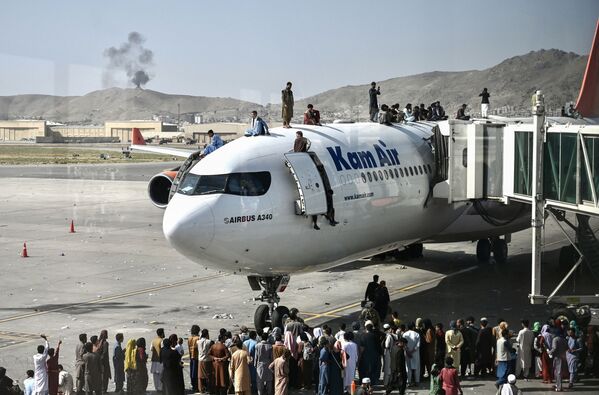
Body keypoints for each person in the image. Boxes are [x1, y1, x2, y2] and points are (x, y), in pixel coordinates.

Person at [197, 329, 214, 394]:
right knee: (209, 375)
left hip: (201, 360)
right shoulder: (210, 342)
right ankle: (209, 389)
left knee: (200, 376)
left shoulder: (198, 341)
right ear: (207, 334)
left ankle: (201, 389)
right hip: (208, 360)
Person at [150, 328, 165, 393]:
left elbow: (151, 349)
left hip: (154, 360)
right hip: (160, 360)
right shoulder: (161, 341)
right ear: (162, 333)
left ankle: (157, 388)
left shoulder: (153, 340)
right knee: (161, 375)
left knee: (155, 375)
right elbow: (163, 350)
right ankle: (160, 388)